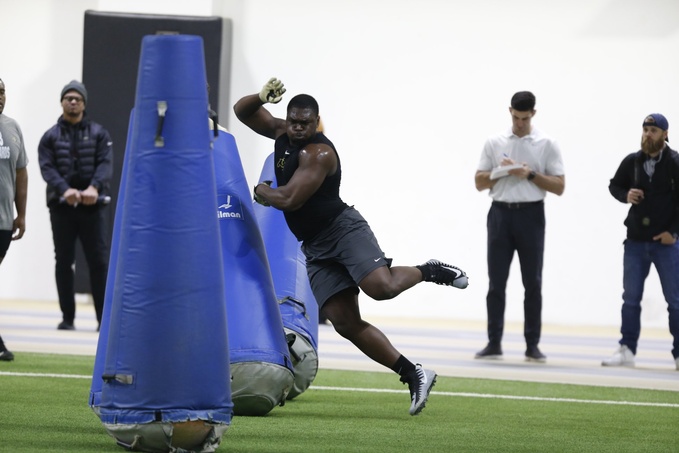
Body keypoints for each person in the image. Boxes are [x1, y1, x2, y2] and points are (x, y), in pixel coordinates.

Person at [234, 77, 468, 416]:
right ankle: (413, 373)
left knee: (382, 288)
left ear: (316, 122)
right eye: (294, 121)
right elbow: (242, 113)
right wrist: (259, 97)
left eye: (305, 123)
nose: (298, 128)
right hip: (314, 245)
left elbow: (290, 199)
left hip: (342, 230)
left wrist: (262, 191)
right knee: (343, 322)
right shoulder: (282, 132)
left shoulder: (319, 153)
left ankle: (429, 270)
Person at [474, 91, 565, 363]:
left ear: (533, 114)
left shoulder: (547, 143)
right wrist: (501, 172)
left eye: (525, 118)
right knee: (496, 283)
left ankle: (532, 345)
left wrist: (529, 174)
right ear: (510, 112)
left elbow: (559, 186)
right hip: (500, 214)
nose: (520, 123)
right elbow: (479, 182)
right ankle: (494, 343)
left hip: (531, 215)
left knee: (532, 283)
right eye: (516, 118)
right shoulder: (495, 142)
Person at [603, 113, 679, 371]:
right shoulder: (633, 161)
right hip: (635, 242)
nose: (648, 134)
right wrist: (626, 195)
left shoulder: (675, 163)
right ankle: (627, 349)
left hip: (666, 245)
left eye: (653, 130)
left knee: (675, 301)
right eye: (645, 129)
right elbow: (614, 186)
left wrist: (673, 234)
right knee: (631, 299)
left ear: (665, 134)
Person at [38, 80, 112, 331]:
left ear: (84, 103)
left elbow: (105, 164)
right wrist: (64, 189)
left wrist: (94, 188)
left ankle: (103, 320)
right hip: (62, 208)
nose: (72, 102)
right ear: (61, 102)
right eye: (68, 98)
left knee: (99, 262)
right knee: (63, 261)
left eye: (77, 99)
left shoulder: (100, 134)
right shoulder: (50, 136)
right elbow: (47, 167)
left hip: (93, 208)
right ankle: (67, 318)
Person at [0, 77, 28, 361]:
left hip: (4, 221)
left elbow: (21, 172)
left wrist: (22, 214)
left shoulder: (13, 127)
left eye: (2, 92)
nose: (0, 97)